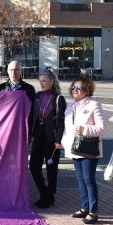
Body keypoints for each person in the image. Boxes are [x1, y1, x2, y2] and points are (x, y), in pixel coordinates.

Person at [62, 77, 107, 224]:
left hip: (88, 148)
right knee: (81, 180)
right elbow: (67, 128)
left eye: (78, 88)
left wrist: (84, 129)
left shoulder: (94, 105)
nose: (75, 90)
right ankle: (84, 208)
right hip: (75, 148)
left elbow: (103, 128)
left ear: (87, 90)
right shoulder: (71, 106)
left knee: (89, 180)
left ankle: (94, 212)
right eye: (73, 87)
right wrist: (63, 141)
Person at [29, 69, 66, 209]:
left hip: (52, 139)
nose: (42, 83)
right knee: (33, 167)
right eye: (40, 81)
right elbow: (32, 116)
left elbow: (62, 121)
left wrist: (58, 140)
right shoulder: (38, 96)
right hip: (38, 135)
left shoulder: (58, 99)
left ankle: (49, 197)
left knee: (51, 169)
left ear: (52, 81)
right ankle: (44, 193)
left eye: (44, 81)